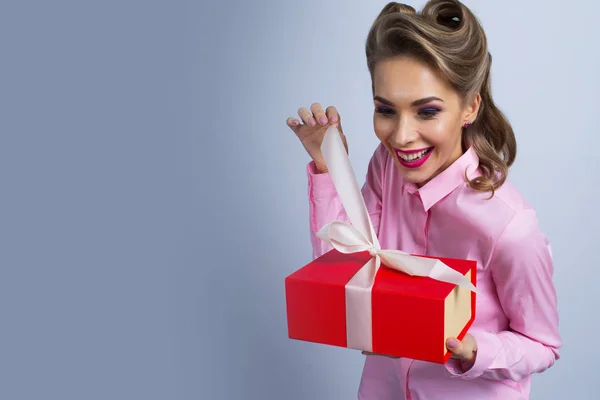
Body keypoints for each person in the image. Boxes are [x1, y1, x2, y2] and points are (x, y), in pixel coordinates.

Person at [285, 0, 562, 399]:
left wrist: (475, 350)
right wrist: (331, 169)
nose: (400, 137)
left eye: (426, 111)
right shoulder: (386, 167)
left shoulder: (510, 227)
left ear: (470, 106)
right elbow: (342, 270)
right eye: (386, 110)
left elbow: (544, 346)